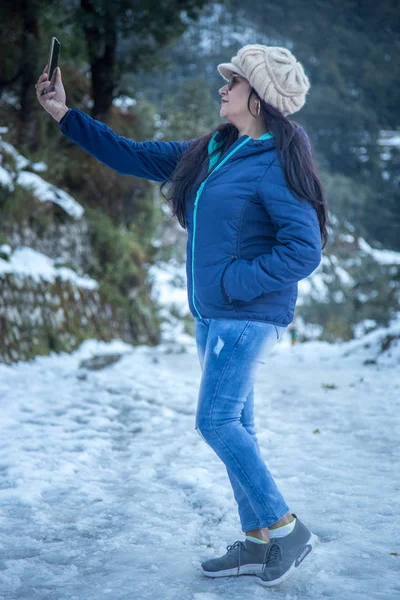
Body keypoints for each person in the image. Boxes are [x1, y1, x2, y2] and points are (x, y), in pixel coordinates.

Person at [36, 43, 329, 587]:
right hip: (215, 313)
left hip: (245, 314)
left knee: (215, 421)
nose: (223, 87)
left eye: (234, 81)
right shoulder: (215, 151)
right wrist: (63, 115)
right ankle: (257, 542)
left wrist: (231, 281)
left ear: (260, 98)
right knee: (237, 423)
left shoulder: (276, 164)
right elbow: (133, 154)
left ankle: (286, 529)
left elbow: (302, 250)